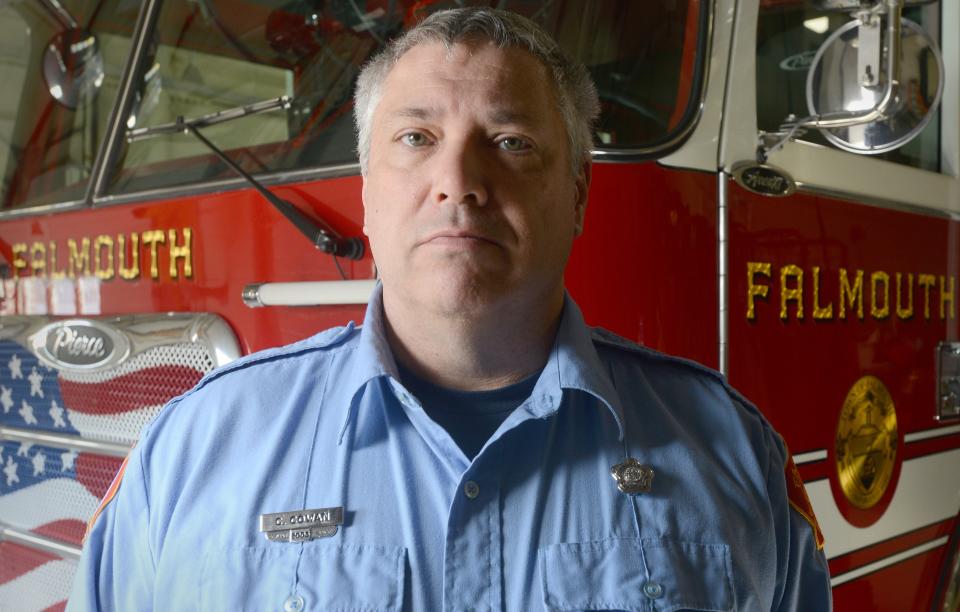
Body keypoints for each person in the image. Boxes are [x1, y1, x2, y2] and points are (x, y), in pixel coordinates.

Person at [68, 7, 831, 611]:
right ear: (367, 195)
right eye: (415, 137)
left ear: (577, 196)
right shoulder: (189, 451)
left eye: (511, 142)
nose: (457, 181)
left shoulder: (733, 454)